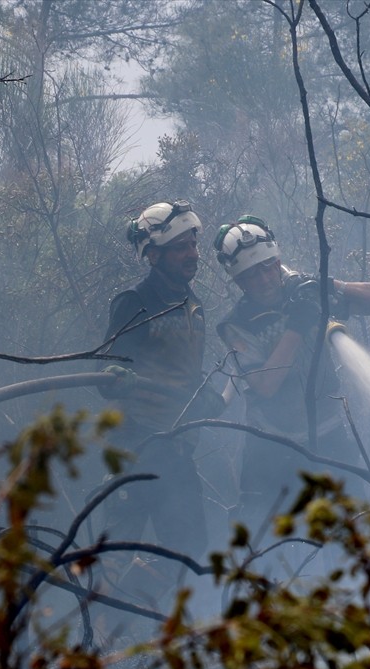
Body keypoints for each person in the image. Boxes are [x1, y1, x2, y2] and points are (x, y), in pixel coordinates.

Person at [213, 216, 370, 533]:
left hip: (331, 440)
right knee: (267, 552)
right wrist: (297, 327)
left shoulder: (303, 292)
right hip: (272, 453)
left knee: (358, 542)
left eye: (269, 266)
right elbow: (266, 385)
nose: (265, 278)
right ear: (239, 282)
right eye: (252, 274)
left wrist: (329, 285)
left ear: (278, 260)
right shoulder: (235, 325)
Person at [99, 200, 226, 566]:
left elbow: (182, 371)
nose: (192, 254)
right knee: (115, 557)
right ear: (153, 255)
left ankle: (147, 608)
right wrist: (116, 377)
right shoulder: (135, 302)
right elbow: (106, 373)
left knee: (190, 550)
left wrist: (206, 394)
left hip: (177, 447)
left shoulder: (193, 305)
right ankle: (106, 620)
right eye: (180, 247)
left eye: (193, 244)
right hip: (135, 446)